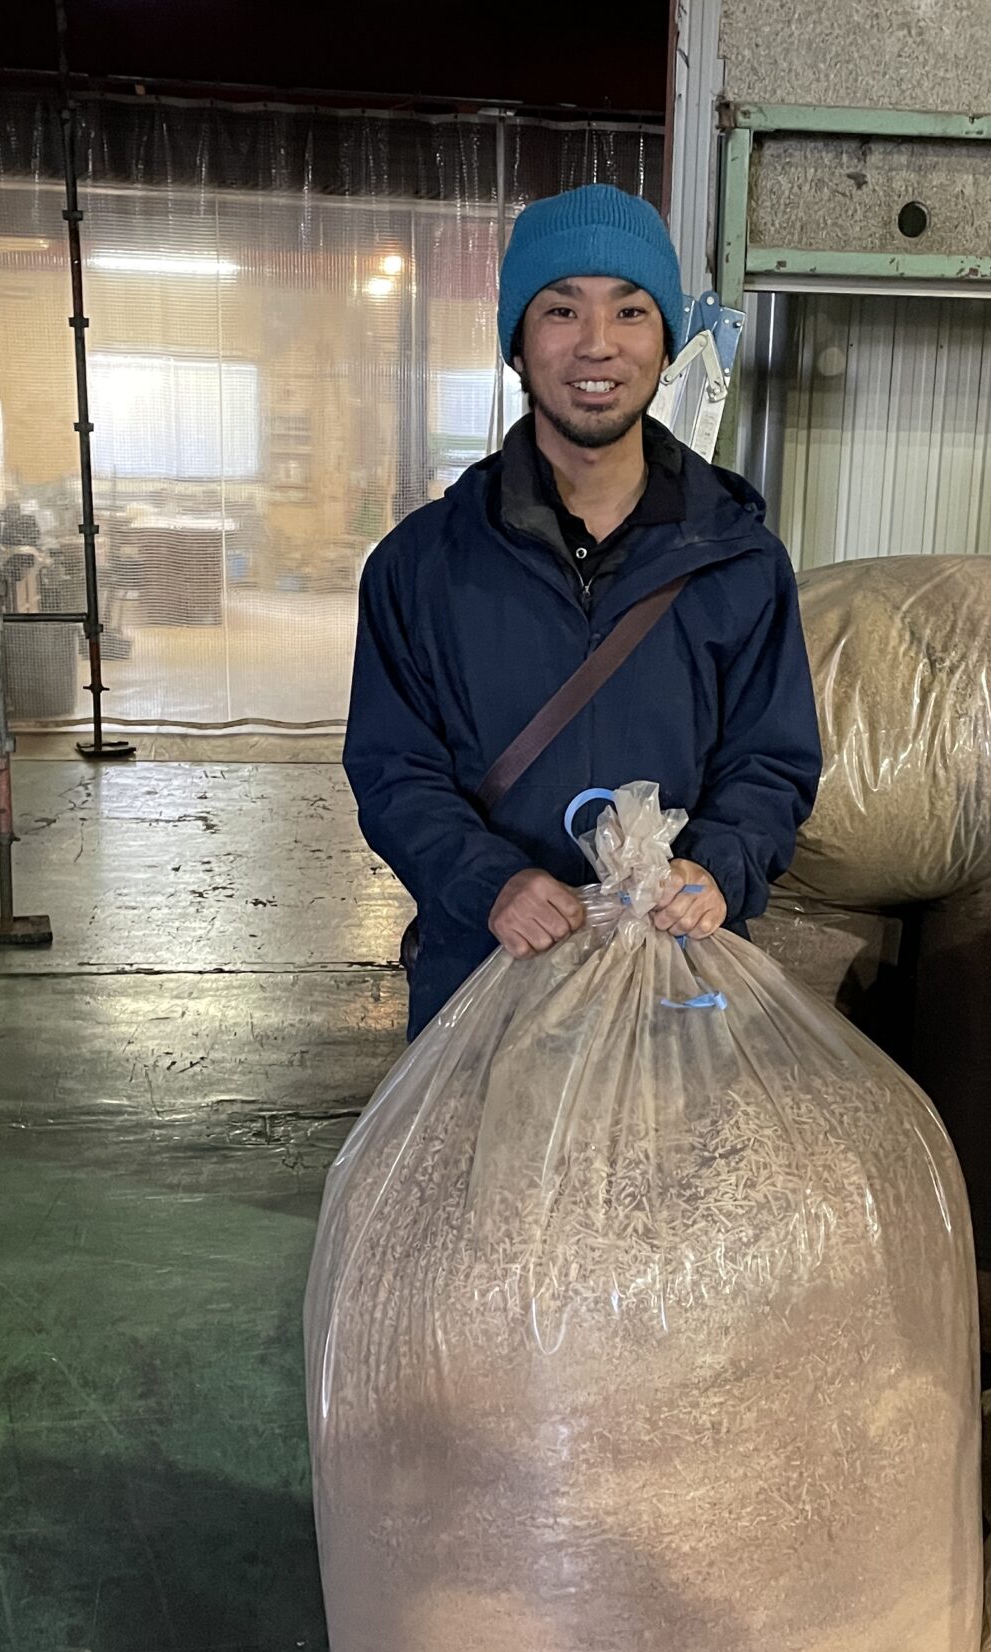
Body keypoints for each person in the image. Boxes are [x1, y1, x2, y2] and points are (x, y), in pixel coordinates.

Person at [345, 183, 821, 1036]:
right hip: (486, 982)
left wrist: (717, 868)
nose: (597, 344)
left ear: (666, 341)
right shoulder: (421, 568)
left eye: (630, 312)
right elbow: (393, 771)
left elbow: (771, 762)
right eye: (561, 311)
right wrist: (491, 881)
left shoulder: (740, 561)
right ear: (518, 345)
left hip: (675, 987)